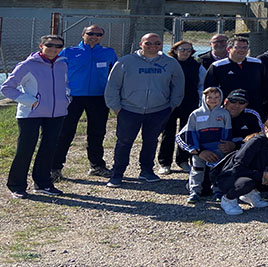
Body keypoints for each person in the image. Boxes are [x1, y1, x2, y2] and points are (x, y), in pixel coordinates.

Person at [104, 33, 184, 188]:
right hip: (129, 110)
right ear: (141, 44)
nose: (152, 46)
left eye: (157, 43)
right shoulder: (126, 61)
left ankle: (146, 171)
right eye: (148, 43)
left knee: (151, 141)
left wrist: (172, 105)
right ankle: (118, 173)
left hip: (158, 111)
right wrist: (116, 108)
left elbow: (178, 85)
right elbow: (113, 86)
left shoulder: (170, 63)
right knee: (124, 142)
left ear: (162, 45)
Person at [2, 34, 70, 198]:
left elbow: (65, 85)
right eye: (50, 45)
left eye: (58, 46)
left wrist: (66, 99)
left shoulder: (62, 64)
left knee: (49, 149)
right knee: (25, 149)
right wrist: (31, 101)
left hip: (56, 113)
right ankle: (17, 185)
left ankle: (43, 183)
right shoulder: (27, 65)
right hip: (30, 114)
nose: (54, 49)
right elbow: (7, 88)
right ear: (41, 46)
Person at [53, 25, 118, 181]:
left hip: (98, 98)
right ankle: (54, 168)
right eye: (90, 33)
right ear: (83, 35)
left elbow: (115, 76)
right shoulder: (69, 52)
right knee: (65, 132)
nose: (94, 36)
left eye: (98, 34)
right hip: (72, 98)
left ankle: (97, 166)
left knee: (97, 133)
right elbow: (55, 72)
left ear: (102, 36)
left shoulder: (108, 53)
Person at [214, 114, 268, 215]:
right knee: (247, 183)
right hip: (231, 177)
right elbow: (238, 169)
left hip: (255, 174)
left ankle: (249, 194)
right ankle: (228, 199)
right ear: (266, 128)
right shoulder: (256, 142)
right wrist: (264, 175)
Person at [157, 40, 205, 175]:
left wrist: (201, 101)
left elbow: (202, 84)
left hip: (190, 103)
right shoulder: (168, 64)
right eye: (182, 49)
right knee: (168, 133)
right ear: (175, 50)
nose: (185, 52)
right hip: (170, 104)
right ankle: (164, 163)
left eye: (188, 50)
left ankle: (183, 161)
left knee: (186, 133)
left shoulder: (197, 66)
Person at [180, 86, 230, 203]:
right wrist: (194, 148)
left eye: (216, 97)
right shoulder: (195, 114)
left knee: (218, 170)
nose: (213, 100)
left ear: (221, 98)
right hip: (200, 149)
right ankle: (194, 191)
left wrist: (224, 146)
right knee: (197, 169)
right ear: (204, 98)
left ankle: (218, 191)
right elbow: (190, 132)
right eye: (210, 97)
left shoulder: (224, 114)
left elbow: (227, 131)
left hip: (218, 148)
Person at [204, 36, 268, 117]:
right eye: (238, 47)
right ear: (229, 49)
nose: (242, 50)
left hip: (254, 107)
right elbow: (209, 89)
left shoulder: (257, 64)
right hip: (228, 110)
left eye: (245, 47)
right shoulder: (217, 66)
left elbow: (267, 85)